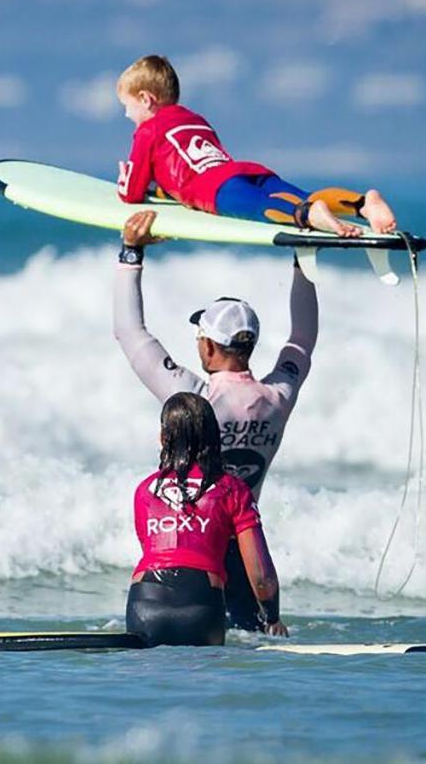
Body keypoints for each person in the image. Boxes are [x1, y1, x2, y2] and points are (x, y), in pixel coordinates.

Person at [114, 209, 313, 630]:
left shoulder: (194, 398)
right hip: (243, 545)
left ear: (206, 346)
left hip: (191, 546)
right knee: (250, 642)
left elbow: (131, 335)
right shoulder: (279, 395)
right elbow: (302, 339)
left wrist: (131, 255)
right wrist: (303, 260)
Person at [115, 54, 397, 237]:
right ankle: (362, 204)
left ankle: (310, 216)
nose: (127, 114)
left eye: (127, 106)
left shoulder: (147, 131)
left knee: (262, 208)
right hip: (245, 171)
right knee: (305, 194)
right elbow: (178, 165)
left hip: (213, 189)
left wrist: (125, 176)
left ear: (146, 99)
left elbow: (131, 194)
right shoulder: (195, 119)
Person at [127, 392, 287, 647]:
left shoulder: (145, 490)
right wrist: (272, 617)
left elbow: (157, 552)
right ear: (215, 437)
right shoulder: (232, 489)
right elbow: (261, 577)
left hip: (144, 605)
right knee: (202, 683)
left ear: (163, 438)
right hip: (201, 608)